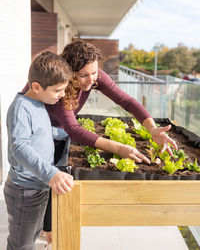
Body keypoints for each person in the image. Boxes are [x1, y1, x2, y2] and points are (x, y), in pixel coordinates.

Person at [40, 38, 178, 244]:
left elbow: (127, 100)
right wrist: (118, 147)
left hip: (60, 129)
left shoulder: (94, 77)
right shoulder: (61, 85)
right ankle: (47, 231)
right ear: (70, 73)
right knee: (47, 174)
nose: (91, 80)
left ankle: (48, 227)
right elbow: (74, 130)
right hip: (42, 127)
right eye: (84, 75)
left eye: (94, 72)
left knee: (56, 174)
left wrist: (153, 129)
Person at [4, 51, 74, 250]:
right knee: (21, 244)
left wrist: (65, 134)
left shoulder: (39, 102)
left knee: (33, 234)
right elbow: (20, 147)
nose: (62, 95)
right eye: (58, 90)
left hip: (38, 186)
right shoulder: (21, 108)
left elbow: (43, 131)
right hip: (24, 191)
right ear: (36, 86)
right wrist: (51, 173)